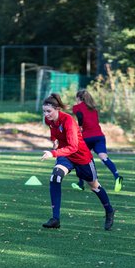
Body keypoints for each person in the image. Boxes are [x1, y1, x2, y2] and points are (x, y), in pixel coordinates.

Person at [41, 93, 115, 231]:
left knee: (94, 186)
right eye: (44, 111)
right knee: (55, 177)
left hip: (82, 157)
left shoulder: (68, 121)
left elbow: (73, 147)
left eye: (49, 111)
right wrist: (55, 142)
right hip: (66, 156)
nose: (46, 114)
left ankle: (109, 210)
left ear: (57, 109)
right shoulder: (49, 121)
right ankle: (55, 218)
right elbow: (54, 133)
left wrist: (53, 153)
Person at [72, 89, 123, 192]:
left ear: (78, 98)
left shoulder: (77, 107)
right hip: (99, 136)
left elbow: (80, 116)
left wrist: (80, 126)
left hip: (87, 137)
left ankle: (81, 184)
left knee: (80, 158)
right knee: (104, 158)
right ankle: (117, 176)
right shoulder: (93, 108)